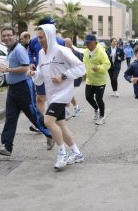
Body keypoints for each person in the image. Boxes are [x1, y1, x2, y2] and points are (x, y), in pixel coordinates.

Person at [30, 24, 85, 170]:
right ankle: (76, 153)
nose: (39, 40)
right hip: (52, 94)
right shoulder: (41, 53)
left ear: (49, 36)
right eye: (38, 37)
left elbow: (80, 67)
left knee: (48, 121)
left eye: (41, 37)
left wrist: (63, 76)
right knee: (60, 124)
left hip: (64, 92)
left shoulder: (62, 50)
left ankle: (62, 153)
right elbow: (42, 76)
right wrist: (34, 74)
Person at [0, 27, 54, 157]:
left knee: (33, 114)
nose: (6, 38)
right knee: (10, 117)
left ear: (15, 36)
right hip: (13, 88)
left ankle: (50, 134)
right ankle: (6, 146)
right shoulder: (11, 50)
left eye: (9, 35)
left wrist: (8, 69)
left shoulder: (19, 49)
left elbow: (25, 68)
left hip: (23, 87)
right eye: (4, 36)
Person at [28, 17, 65, 116]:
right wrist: (31, 62)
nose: (54, 27)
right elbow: (31, 52)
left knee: (54, 99)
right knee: (40, 98)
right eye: (52, 25)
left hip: (55, 76)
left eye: (54, 25)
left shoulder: (60, 42)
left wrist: (63, 76)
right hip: (41, 74)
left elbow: (69, 65)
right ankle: (41, 122)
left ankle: (56, 120)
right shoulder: (34, 41)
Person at [83, 34, 111, 125]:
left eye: (89, 43)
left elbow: (107, 64)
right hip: (90, 79)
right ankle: (97, 109)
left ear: (95, 42)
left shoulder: (101, 52)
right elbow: (85, 63)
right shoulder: (86, 51)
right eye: (86, 43)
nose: (87, 45)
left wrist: (98, 68)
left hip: (100, 80)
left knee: (99, 98)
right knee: (88, 97)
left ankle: (102, 117)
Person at [65, 38, 83, 117]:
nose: (65, 45)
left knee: (67, 93)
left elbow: (81, 65)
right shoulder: (64, 52)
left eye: (67, 43)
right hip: (67, 76)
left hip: (74, 76)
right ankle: (75, 108)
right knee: (67, 93)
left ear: (71, 44)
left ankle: (67, 110)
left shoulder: (77, 53)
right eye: (65, 43)